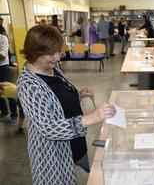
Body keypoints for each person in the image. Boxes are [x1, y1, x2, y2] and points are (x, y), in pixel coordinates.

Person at [17, 25, 116, 185]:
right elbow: (48, 127)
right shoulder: (28, 84)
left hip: (72, 143)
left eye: (58, 51)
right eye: (51, 53)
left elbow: (55, 98)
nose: (57, 57)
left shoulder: (51, 68)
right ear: (35, 52)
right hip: (52, 154)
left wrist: (77, 95)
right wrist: (91, 117)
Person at [0, 28, 17, 124]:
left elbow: (2, 56)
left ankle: (14, 114)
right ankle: (4, 111)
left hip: (3, 67)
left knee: (8, 90)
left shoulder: (3, 39)